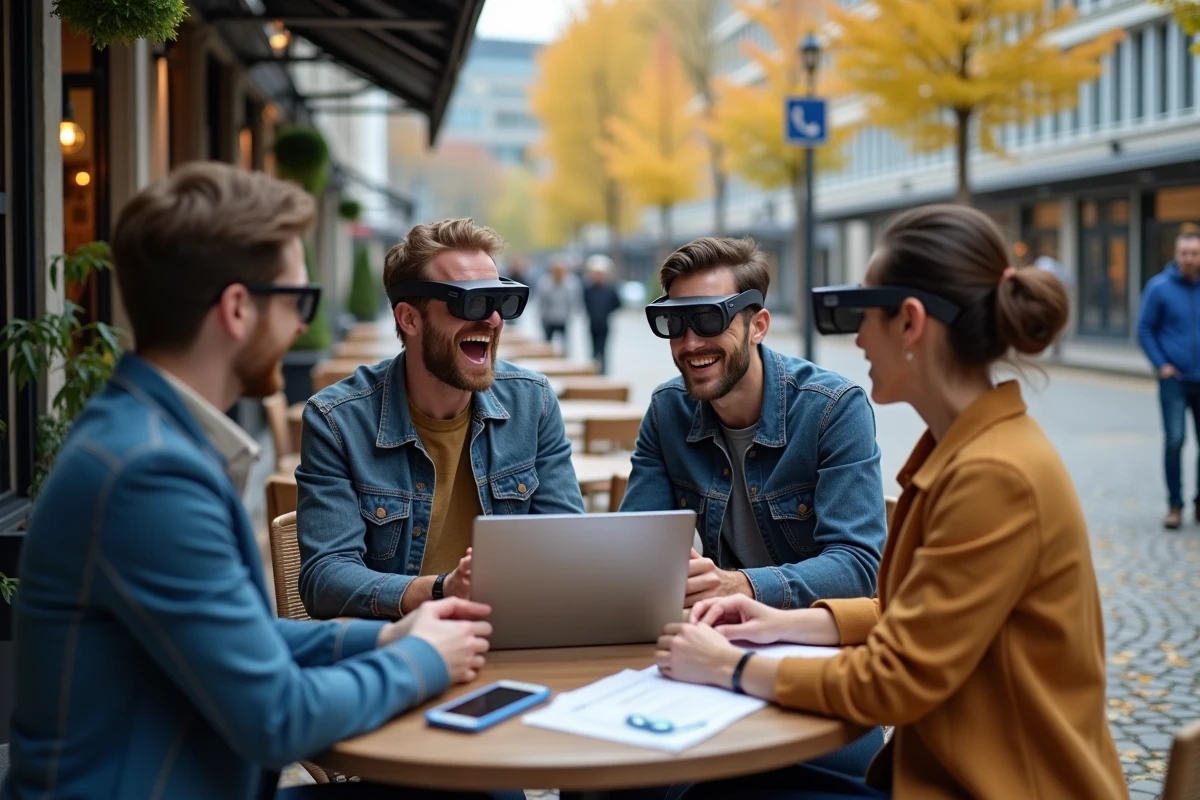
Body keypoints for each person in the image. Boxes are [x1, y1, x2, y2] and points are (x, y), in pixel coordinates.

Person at [2, 163, 513, 800]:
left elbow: (247, 636)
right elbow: (277, 718)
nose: (303, 327)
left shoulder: (145, 437)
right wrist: (423, 660)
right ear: (238, 309)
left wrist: (388, 634)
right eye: (298, 302)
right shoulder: (150, 474)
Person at [652, 204, 1126, 800]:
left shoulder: (994, 474)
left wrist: (731, 667)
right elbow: (920, 617)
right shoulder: (964, 450)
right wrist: (783, 622)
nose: (856, 336)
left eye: (862, 312)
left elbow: (897, 679)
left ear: (910, 322)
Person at [296, 218, 585, 621]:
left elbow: (567, 544)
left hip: (514, 635)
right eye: (470, 302)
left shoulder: (532, 403)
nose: (493, 320)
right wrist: (440, 590)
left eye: (499, 301)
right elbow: (324, 579)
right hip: (401, 646)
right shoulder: (338, 421)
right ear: (409, 319)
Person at [620, 236, 887, 612]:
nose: (691, 343)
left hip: (813, 642)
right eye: (675, 323)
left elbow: (859, 568)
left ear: (758, 326)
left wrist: (742, 585)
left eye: (710, 319)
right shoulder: (669, 411)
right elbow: (638, 545)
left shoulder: (833, 409)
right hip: (722, 634)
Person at [1137, 230, 1200, 529]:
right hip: (1173, 379)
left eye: (1194, 253)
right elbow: (1145, 328)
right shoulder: (1158, 287)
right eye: (1184, 253)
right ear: (1176, 255)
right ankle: (1174, 505)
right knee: (1175, 441)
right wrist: (1161, 365)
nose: (1189, 258)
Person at [582, 254, 624, 374]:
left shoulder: (610, 289)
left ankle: (603, 372)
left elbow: (617, 303)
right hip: (592, 322)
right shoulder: (588, 289)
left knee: (603, 350)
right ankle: (593, 371)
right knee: (593, 349)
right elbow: (584, 302)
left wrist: (606, 311)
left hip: (604, 323)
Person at [535, 257, 583, 349]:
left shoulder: (571, 283)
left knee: (565, 344)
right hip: (549, 318)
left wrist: (572, 316)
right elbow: (541, 301)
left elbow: (574, 302)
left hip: (564, 318)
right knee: (547, 344)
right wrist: (542, 317)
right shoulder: (545, 283)